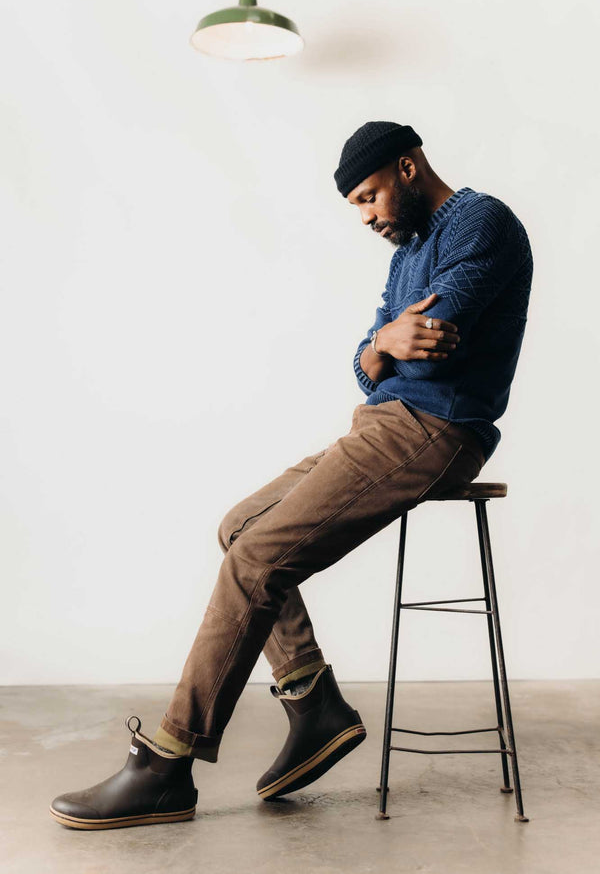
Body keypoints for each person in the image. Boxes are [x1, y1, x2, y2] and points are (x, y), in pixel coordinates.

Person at [49, 121, 533, 830]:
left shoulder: (480, 222)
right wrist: (383, 342)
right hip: (384, 423)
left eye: (369, 197)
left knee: (257, 559)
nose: (365, 217)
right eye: (356, 206)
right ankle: (312, 703)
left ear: (407, 168)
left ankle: (166, 764)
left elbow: (433, 344)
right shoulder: (408, 251)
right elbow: (369, 365)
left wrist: (387, 348)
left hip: (438, 429)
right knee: (238, 526)